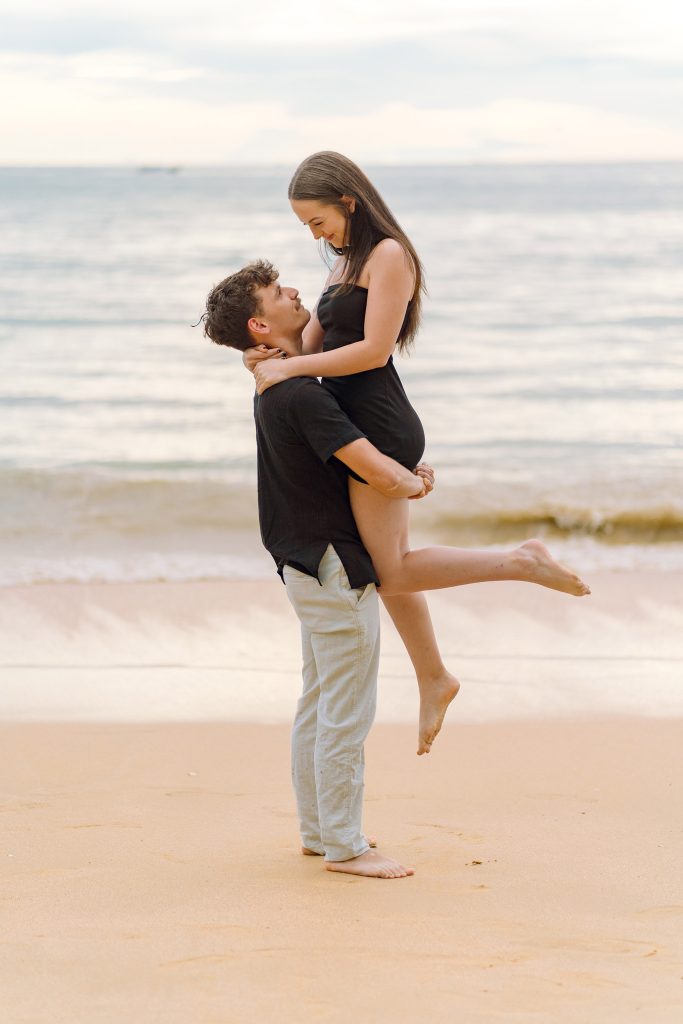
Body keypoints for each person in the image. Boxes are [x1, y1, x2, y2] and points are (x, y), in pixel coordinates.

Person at [247, 151, 591, 756]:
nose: (315, 236)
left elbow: (374, 351)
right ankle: (434, 676)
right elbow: (309, 343)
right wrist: (264, 357)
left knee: (391, 569)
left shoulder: (389, 256)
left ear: (348, 201)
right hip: (352, 425)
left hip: (377, 422)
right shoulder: (344, 263)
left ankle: (520, 563)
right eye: (306, 227)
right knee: (390, 564)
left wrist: (293, 366)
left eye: (317, 222)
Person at [200, 259, 433, 878]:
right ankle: (346, 846)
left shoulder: (276, 384)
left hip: (302, 561)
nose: (296, 290)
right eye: (279, 292)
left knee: (321, 699)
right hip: (333, 563)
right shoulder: (301, 392)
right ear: (259, 323)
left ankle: (319, 830)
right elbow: (376, 470)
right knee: (346, 710)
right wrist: (416, 483)